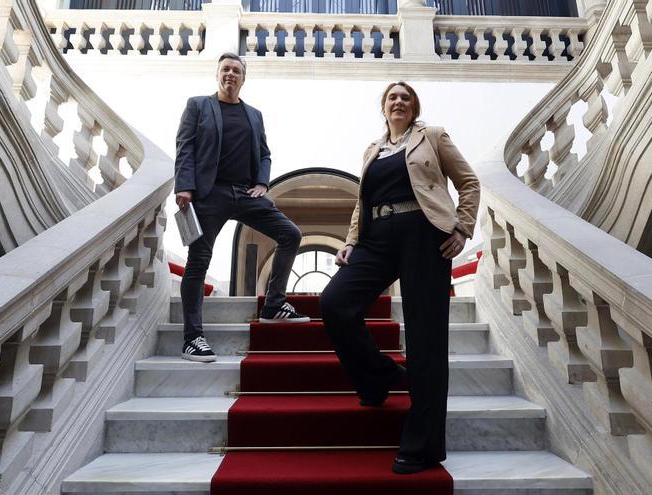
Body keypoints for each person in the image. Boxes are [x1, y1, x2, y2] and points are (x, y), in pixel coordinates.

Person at [320, 82, 480, 474]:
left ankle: (423, 444)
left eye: (405, 97)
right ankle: (380, 376)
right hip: (376, 238)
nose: (399, 101)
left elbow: (469, 182)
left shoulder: (434, 137)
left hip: (424, 235)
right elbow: (363, 202)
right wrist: (351, 241)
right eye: (392, 97)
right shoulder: (372, 151)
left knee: (426, 339)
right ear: (383, 107)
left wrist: (462, 227)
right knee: (335, 303)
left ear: (414, 107)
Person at [174, 53, 309, 363]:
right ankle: (192, 338)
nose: (230, 74)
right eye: (225, 69)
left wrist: (263, 183)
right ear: (218, 74)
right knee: (199, 261)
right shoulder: (198, 105)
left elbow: (264, 154)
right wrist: (184, 185)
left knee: (290, 234)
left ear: (243, 78)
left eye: (236, 70)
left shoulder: (254, 115)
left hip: (247, 193)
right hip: (210, 194)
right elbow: (185, 146)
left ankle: (274, 305)